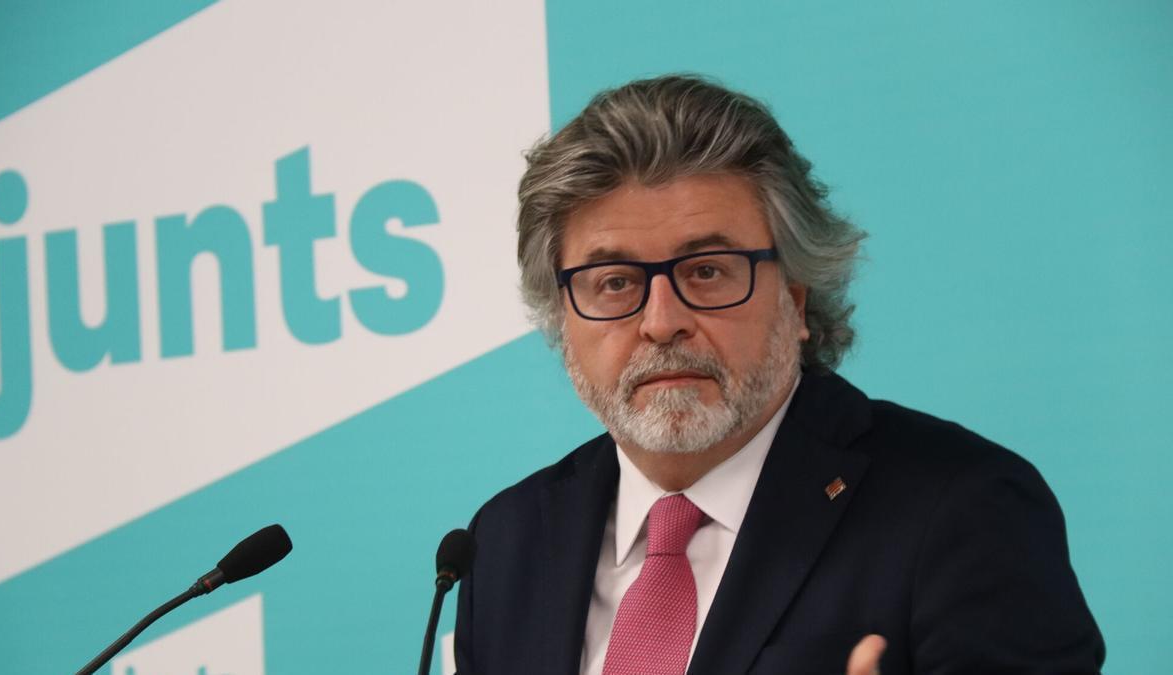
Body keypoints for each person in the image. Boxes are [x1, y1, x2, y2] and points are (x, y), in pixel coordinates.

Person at [453, 74, 1104, 674]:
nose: (661, 321)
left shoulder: (962, 509)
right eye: (615, 282)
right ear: (562, 316)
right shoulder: (507, 542)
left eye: (707, 271)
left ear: (795, 298)